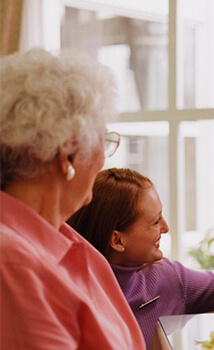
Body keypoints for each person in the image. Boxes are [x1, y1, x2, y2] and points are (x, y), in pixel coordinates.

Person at [0, 48, 145, 349]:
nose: (104, 159)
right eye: (104, 141)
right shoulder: (12, 264)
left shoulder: (75, 247)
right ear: (68, 155)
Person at [67, 168, 214, 347]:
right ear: (117, 240)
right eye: (155, 221)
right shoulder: (67, 299)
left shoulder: (166, 278)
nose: (165, 228)